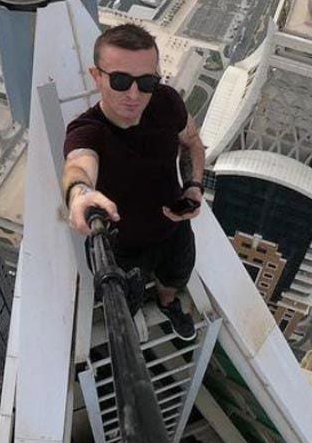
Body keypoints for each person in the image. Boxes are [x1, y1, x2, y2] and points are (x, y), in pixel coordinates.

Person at [62, 24, 206, 341]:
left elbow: (192, 142)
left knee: (175, 280)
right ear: (96, 76)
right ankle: (134, 311)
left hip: (173, 229)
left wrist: (194, 186)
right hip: (120, 246)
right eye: (120, 80)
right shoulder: (88, 130)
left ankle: (168, 305)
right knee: (125, 300)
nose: (133, 94)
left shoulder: (166, 102)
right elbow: (79, 164)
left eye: (147, 82)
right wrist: (80, 194)